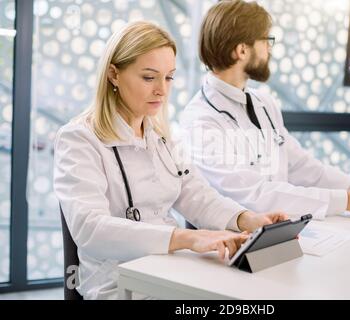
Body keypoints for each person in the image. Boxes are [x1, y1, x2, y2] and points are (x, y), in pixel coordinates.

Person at [53, 21, 288, 300]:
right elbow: (90, 229)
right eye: (149, 77)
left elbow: (196, 195)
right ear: (114, 74)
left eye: (169, 77)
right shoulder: (79, 139)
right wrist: (188, 238)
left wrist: (246, 219)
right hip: (117, 281)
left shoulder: (165, 137)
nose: (162, 91)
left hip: (170, 268)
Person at [180, 0, 350, 221]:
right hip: (237, 240)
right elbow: (254, 195)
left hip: (282, 228)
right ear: (242, 50)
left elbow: (304, 167)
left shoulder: (264, 104)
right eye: (266, 40)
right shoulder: (201, 119)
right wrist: (347, 200)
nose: (269, 49)